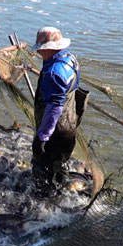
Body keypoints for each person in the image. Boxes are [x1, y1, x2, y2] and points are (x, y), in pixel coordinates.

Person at [30, 26, 86, 198]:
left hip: (57, 130)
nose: (39, 53)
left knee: (43, 169)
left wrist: (41, 138)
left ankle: (44, 208)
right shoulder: (70, 59)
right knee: (58, 163)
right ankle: (62, 193)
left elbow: (54, 109)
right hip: (69, 126)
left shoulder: (54, 73)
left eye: (41, 49)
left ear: (50, 49)